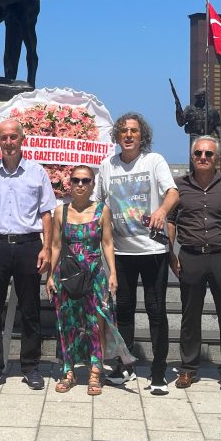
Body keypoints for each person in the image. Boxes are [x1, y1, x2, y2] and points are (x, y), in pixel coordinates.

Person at [0, 118, 57, 392]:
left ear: (22, 140)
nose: (8, 142)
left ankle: (30, 366)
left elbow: (47, 213)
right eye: (3, 138)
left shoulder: (36, 171)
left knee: (30, 309)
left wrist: (46, 247)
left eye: (13, 137)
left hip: (28, 246)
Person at [94, 112, 178, 395]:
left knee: (156, 313)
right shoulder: (107, 166)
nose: (128, 135)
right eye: (123, 131)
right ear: (117, 137)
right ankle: (123, 366)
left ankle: (158, 372)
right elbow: (98, 203)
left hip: (152, 249)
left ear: (143, 136)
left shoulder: (154, 161)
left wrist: (162, 210)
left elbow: (173, 193)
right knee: (124, 312)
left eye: (134, 131)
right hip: (120, 252)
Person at [168, 136, 221, 393]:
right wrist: (170, 252)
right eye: (199, 153)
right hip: (190, 256)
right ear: (192, 156)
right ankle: (188, 368)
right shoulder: (178, 186)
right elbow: (170, 220)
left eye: (208, 154)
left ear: (217, 158)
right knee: (190, 315)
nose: (203, 157)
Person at [46, 165, 132, 396]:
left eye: (86, 180)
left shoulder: (102, 210)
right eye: (76, 180)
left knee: (96, 324)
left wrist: (112, 273)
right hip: (68, 275)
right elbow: (54, 245)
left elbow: (107, 243)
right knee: (68, 323)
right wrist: (50, 276)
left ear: (93, 184)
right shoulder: (60, 212)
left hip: (94, 274)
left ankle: (96, 371)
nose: (81, 184)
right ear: (69, 184)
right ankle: (69, 371)